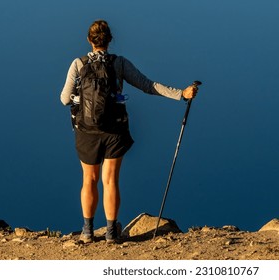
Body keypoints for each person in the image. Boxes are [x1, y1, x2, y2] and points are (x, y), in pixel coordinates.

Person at [60, 20, 198, 244]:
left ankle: (87, 232)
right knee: (110, 180)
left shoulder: (78, 64)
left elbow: (64, 99)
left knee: (89, 180)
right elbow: (147, 85)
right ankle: (112, 233)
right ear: (110, 40)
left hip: (86, 131)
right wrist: (181, 93)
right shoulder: (119, 64)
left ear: (89, 40)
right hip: (115, 130)